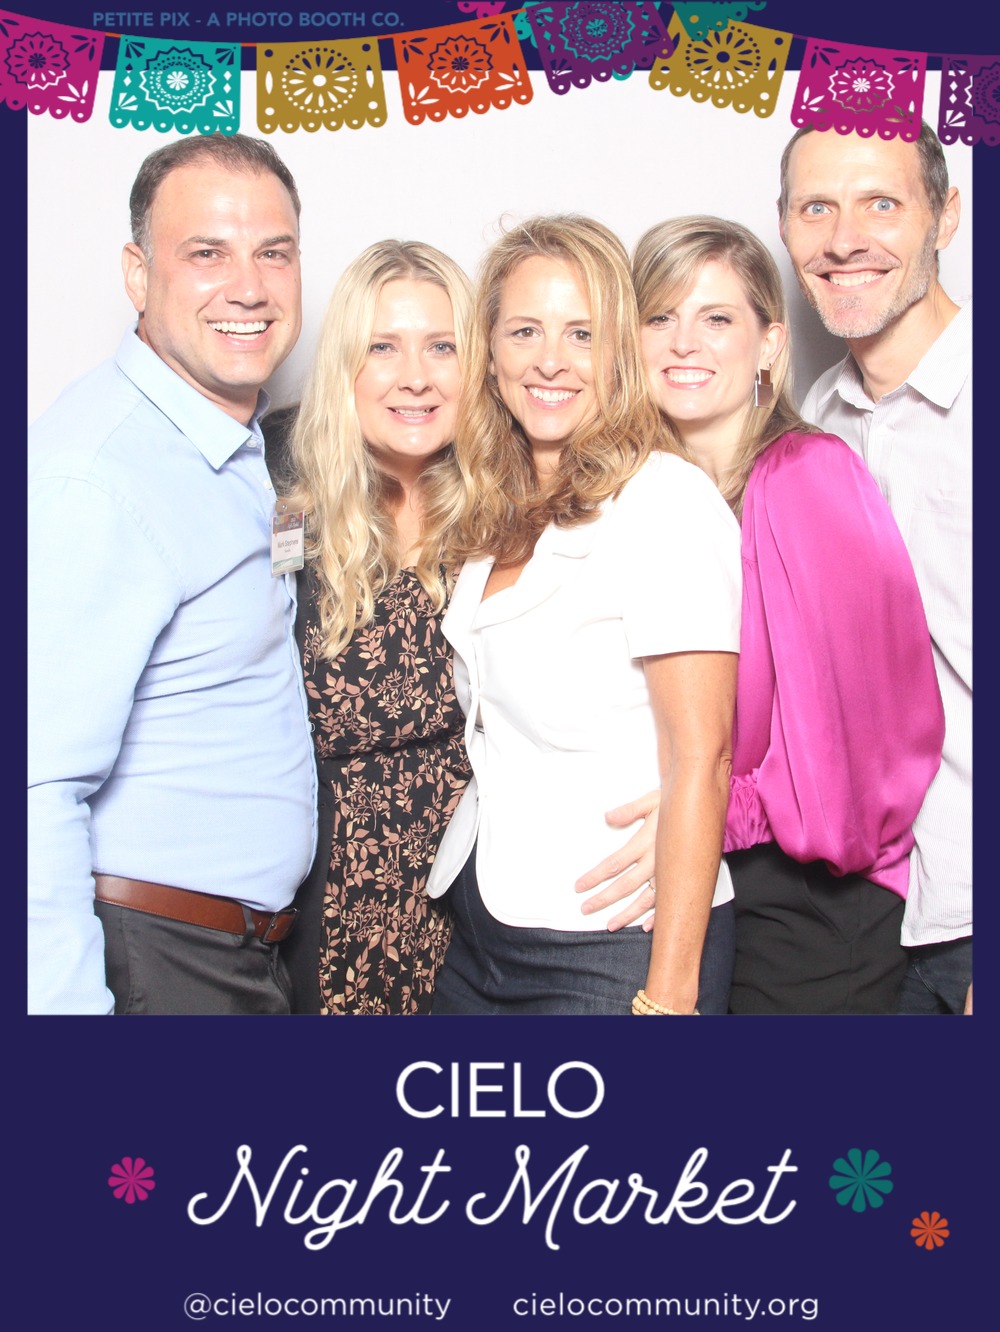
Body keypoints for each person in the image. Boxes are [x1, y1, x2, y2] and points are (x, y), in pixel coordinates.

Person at [425, 215, 743, 1016]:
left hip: (617, 938)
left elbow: (703, 756)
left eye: (582, 333)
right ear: (489, 350)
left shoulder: (664, 502)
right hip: (484, 926)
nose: (550, 360)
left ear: (619, 353)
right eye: (524, 330)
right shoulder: (496, 509)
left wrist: (668, 999)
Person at [28, 134, 316, 1015]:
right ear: (137, 274)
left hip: (232, 953)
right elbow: (32, 783)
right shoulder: (98, 476)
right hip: (153, 958)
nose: (249, 287)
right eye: (207, 254)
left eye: (274, 253)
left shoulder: (230, 444)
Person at [628, 215, 943, 1013]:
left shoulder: (805, 477)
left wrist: (700, 814)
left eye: (716, 318)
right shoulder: (657, 499)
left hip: (813, 898)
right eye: (660, 317)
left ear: (769, 344)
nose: (684, 343)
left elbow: (858, 757)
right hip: (711, 874)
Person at [779, 123, 971, 1015]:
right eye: (817, 208)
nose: (845, 239)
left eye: (882, 204)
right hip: (869, 912)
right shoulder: (820, 419)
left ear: (946, 218)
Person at [274, 241, 474, 1014]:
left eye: (442, 347)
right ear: (344, 366)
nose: (415, 376)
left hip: (486, 921)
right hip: (328, 918)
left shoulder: (510, 509)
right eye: (383, 347)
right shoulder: (278, 499)